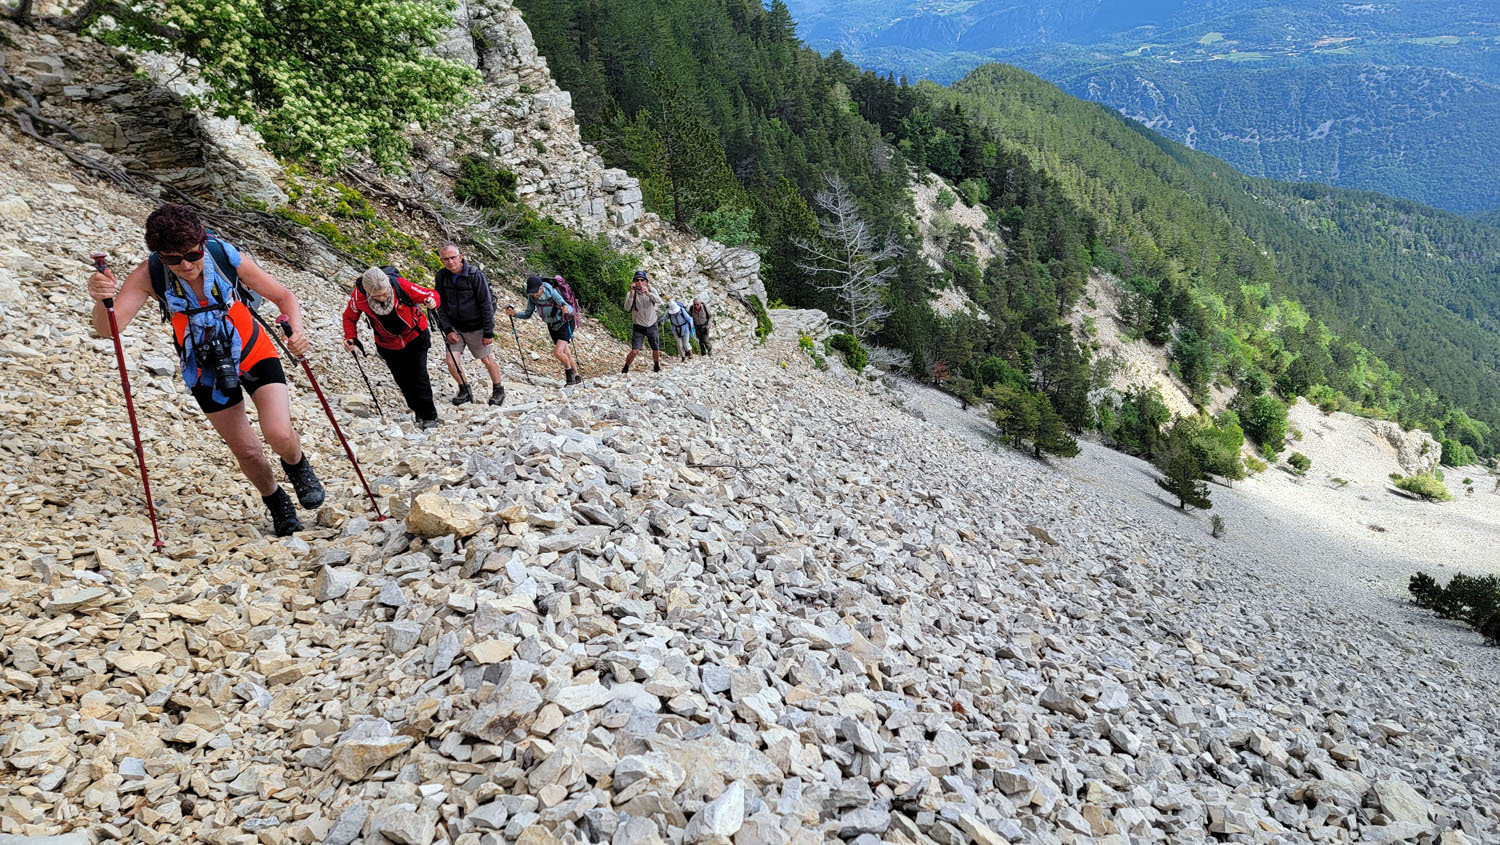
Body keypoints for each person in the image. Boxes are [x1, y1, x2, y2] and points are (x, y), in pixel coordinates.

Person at [86, 203, 323, 537]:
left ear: (202, 243)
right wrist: (101, 299)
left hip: (253, 350)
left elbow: (284, 296)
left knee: (279, 433)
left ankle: (297, 465)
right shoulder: (149, 275)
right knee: (248, 450)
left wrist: (296, 332)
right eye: (172, 259)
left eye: (192, 255)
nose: (185, 265)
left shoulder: (225, 255)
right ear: (159, 255)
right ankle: (276, 501)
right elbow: (109, 328)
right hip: (204, 369)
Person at [343, 266, 441, 430]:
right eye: (376, 296)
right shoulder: (359, 296)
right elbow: (349, 316)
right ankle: (417, 410)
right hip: (387, 343)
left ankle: (430, 416)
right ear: (368, 292)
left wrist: (432, 302)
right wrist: (350, 337)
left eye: (384, 293)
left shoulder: (400, 285)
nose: (381, 298)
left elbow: (431, 294)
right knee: (402, 379)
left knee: (419, 376)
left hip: (415, 336)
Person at [432, 243, 504, 406]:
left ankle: (498, 389)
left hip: (476, 327)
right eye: (445, 259)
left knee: (486, 359)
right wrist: (448, 329)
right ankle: (464, 388)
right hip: (455, 327)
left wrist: (488, 332)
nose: (450, 262)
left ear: (460, 256)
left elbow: (486, 304)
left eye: (453, 258)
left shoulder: (475, 275)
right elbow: (440, 304)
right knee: (451, 362)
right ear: (441, 260)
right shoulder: (441, 277)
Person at [506, 274, 579, 385]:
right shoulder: (532, 297)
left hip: (565, 321)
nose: (535, 295)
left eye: (536, 292)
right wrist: (515, 314)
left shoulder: (552, 292)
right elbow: (527, 314)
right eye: (532, 292)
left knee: (558, 352)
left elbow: (568, 307)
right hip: (551, 325)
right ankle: (577, 375)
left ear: (542, 287)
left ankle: (570, 377)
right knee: (565, 352)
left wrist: (566, 309)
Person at [622, 270, 662, 374]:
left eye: (642, 280)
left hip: (652, 323)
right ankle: (626, 367)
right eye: (637, 280)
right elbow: (626, 308)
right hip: (639, 326)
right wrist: (631, 295)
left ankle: (656, 365)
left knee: (655, 347)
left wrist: (649, 294)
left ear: (646, 281)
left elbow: (659, 300)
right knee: (635, 350)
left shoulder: (651, 290)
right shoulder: (631, 293)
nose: (640, 282)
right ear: (634, 282)